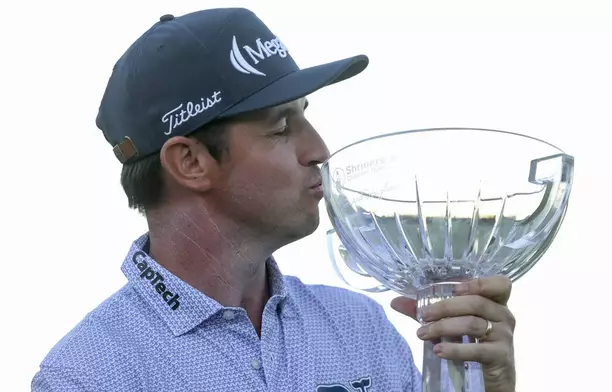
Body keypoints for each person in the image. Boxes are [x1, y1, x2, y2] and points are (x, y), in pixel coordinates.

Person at [31, 7, 517, 392]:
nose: (319, 151)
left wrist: (483, 386)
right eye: (282, 128)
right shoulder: (89, 376)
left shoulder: (358, 326)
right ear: (190, 163)